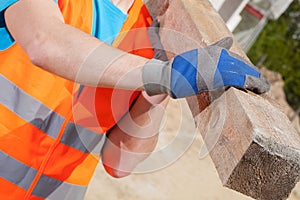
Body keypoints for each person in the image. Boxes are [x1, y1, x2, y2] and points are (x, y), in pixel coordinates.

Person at [0, 0, 269, 199]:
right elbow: (44, 42)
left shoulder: (147, 32)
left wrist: (156, 92)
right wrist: (163, 74)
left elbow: (120, 162)